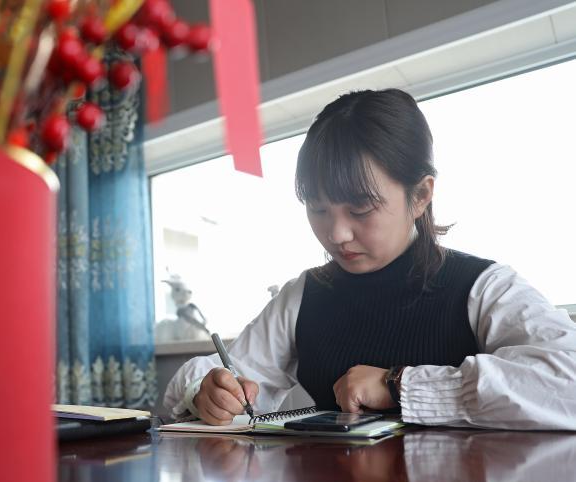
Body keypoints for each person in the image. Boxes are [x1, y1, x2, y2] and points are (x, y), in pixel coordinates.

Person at [163, 88, 576, 430]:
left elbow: (567, 381)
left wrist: (400, 386)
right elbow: (231, 372)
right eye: (318, 208)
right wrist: (207, 389)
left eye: (360, 209)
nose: (337, 234)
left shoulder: (483, 287)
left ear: (420, 196)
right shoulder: (305, 294)